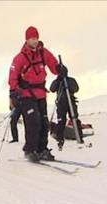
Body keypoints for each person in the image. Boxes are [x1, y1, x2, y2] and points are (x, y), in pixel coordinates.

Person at [8, 26, 67, 162]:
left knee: (44, 123)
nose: (34, 41)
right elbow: (13, 75)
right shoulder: (20, 58)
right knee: (33, 122)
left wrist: (59, 69)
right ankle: (30, 150)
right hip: (26, 94)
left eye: (36, 38)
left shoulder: (43, 52)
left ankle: (41, 149)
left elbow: (53, 63)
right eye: (32, 38)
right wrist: (13, 92)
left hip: (41, 93)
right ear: (27, 39)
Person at [49, 74, 83, 149]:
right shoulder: (57, 81)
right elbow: (52, 89)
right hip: (61, 103)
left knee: (74, 119)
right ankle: (60, 139)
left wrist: (67, 84)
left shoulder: (70, 80)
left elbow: (76, 89)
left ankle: (80, 137)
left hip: (71, 102)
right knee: (61, 121)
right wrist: (58, 81)